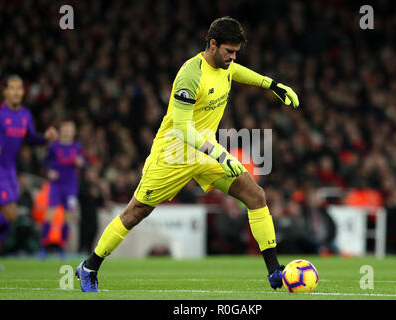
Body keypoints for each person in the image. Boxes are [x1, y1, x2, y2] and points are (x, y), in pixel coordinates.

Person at [76, 17, 299, 292]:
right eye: (228, 51)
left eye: (236, 52)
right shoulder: (191, 74)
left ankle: (275, 272)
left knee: (256, 196)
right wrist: (219, 153)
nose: (232, 57)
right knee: (137, 212)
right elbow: (182, 129)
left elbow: (236, 72)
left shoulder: (225, 65)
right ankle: (89, 266)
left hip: (205, 153)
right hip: (173, 153)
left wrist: (272, 85)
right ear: (212, 44)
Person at [0, 75, 57, 251]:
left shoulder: (25, 115)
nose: (16, 92)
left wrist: (44, 138)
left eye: (20, 88)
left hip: (10, 170)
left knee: (11, 217)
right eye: (12, 88)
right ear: (5, 91)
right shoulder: (0, 115)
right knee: (10, 214)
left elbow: (31, 139)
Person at [40, 121, 84, 259]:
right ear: (61, 131)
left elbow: (84, 163)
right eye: (65, 129)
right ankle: (43, 247)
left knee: (67, 218)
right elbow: (45, 162)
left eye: (70, 130)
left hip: (71, 186)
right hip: (56, 186)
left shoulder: (77, 147)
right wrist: (49, 171)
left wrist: (81, 162)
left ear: (74, 132)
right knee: (49, 215)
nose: (67, 132)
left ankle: (62, 248)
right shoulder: (54, 146)